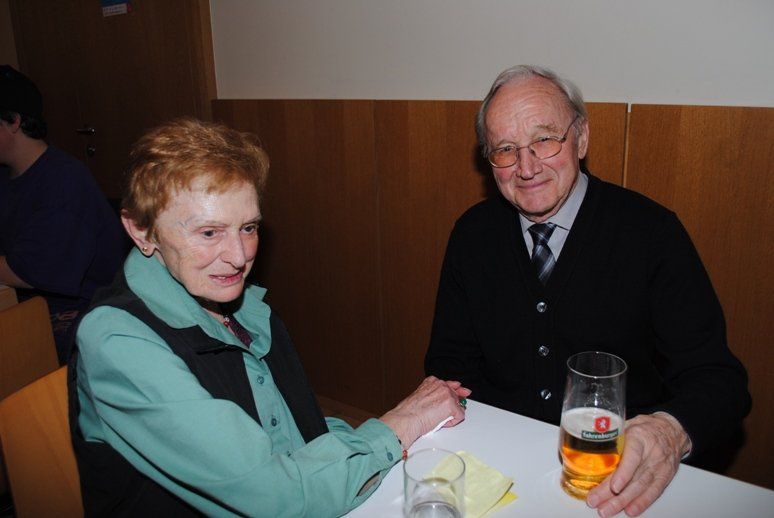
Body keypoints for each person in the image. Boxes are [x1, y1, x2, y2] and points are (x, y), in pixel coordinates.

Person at [69, 118, 470, 516]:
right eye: (209, 233)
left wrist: (388, 435)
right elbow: (274, 497)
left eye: (248, 228)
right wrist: (399, 424)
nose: (239, 256)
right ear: (141, 231)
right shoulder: (117, 341)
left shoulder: (235, 303)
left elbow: (296, 431)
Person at [424, 65, 750, 517]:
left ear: (581, 138)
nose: (527, 167)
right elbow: (449, 366)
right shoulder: (472, 235)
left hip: (620, 481)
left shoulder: (652, 234)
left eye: (544, 139)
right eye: (505, 149)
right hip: (499, 471)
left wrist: (669, 431)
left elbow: (718, 381)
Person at [0, 65, 125, 362]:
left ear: (13, 121)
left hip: (86, 312)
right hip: (32, 302)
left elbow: (29, 271)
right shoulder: (7, 175)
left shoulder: (63, 181)